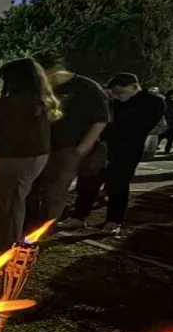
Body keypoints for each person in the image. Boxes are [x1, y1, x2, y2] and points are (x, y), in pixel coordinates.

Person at [0, 58, 59, 261]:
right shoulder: (39, 101)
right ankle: (3, 246)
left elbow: (1, 133)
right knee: (13, 201)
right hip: (33, 156)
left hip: (12, 158)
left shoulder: (13, 103)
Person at [64, 73, 165, 234]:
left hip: (127, 151)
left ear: (134, 86)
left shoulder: (152, 101)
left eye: (120, 93)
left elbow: (138, 125)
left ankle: (113, 221)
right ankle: (79, 216)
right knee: (88, 181)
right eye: (115, 93)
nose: (117, 97)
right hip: (102, 149)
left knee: (118, 186)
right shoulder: (112, 102)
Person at [25, 51, 110, 226]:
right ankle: (26, 226)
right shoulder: (39, 87)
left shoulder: (86, 88)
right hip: (38, 147)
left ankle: (43, 229)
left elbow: (100, 120)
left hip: (67, 149)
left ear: (53, 70)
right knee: (30, 189)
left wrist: (81, 150)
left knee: (54, 193)